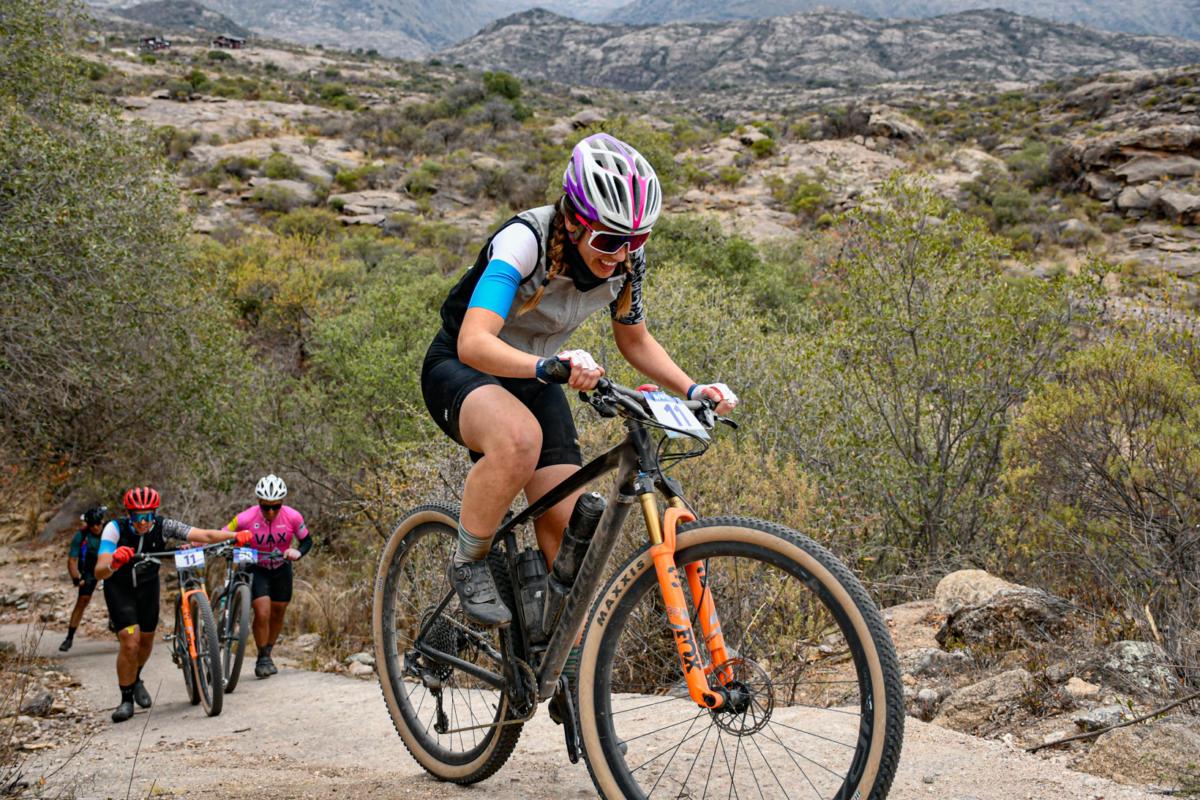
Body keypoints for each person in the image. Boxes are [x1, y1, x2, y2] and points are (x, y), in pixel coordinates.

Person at [421, 132, 739, 633]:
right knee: (519, 440)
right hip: (464, 366)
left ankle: (562, 664)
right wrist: (547, 367)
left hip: (539, 372)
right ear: (573, 220)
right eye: (609, 240)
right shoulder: (524, 240)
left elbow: (634, 340)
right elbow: (474, 342)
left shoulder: (626, 261)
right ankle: (469, 560)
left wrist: (693, 389)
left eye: (636, 240)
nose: (620, 254)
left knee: (570, 536)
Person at [94, 486, 253, 723]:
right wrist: (114, 562)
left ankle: (135, 678)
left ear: (154, 514)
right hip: (120, 588)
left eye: (148, 516)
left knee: (146, 641)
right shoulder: (114, 529)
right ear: (128, 515)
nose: (143, 522)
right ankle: (126, 699)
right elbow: (99, 570)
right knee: (130, 641)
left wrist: (235, 536)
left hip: (148, 587)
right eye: (137, 517)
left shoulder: (164, 525)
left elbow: (205, 535)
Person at [223, 474, 312, 679]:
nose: (271, 512)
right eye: (265, 507)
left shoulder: (293, 516)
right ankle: (262, 656)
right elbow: (223, 533)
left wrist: (298, 552)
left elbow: (307, 540)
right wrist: (201, 543)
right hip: (257, 567)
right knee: (262, 612)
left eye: (276, 506)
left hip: (281, 567)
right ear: (259, 502)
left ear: (282, 503)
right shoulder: (245, 517)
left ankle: (268, 652)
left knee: (278, 612)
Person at [59, 505, 107, 652]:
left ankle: (116, 623)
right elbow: (72, 559)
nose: (95, 527)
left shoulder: (110, 531)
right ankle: (69, 637)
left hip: (109, 567)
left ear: (102, 521)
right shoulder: (82, 535)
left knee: (116, 595)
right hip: (89, 571)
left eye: (98, 524)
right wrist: (76, 578)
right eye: (92, 525)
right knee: (82, 601)